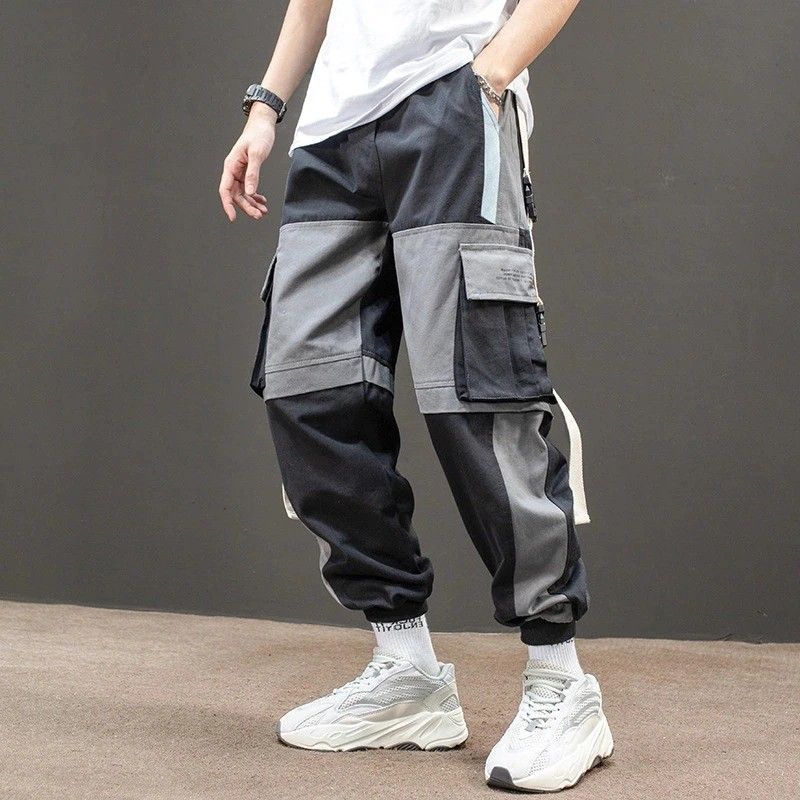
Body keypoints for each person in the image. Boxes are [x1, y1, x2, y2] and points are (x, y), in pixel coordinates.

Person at [219, 0, 612, 791]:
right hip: (333, 128)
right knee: (311, 389)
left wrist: (491, 74)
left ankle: (561, 681)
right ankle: (407, 672)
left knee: (478, 393)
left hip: (452, 101)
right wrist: (266, 107)